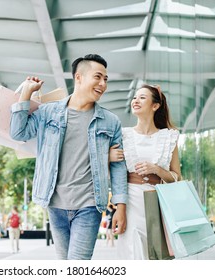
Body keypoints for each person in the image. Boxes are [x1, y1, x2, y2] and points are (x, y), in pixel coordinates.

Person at [10, 54, 128, 260]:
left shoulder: (110, 122)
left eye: (106, 79)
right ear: (79, 77)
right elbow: (19, 133)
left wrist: (120, 206)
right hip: (55, 204)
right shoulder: (49, 113)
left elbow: (119, 167)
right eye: (98, 77)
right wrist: (26, 95)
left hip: (89, 205)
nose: (103, 84)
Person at [109, 84, 181, 260]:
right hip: (130, 202)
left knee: (156, 256)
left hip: (158, 204)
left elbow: (177, 177)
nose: (135, 100)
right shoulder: (123, 135)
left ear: (155, 106)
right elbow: (108, 171)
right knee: (133, 252)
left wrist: (157, 169)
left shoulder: (169, 137)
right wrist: (108, 156)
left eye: (142, 97)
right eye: (135, 97)